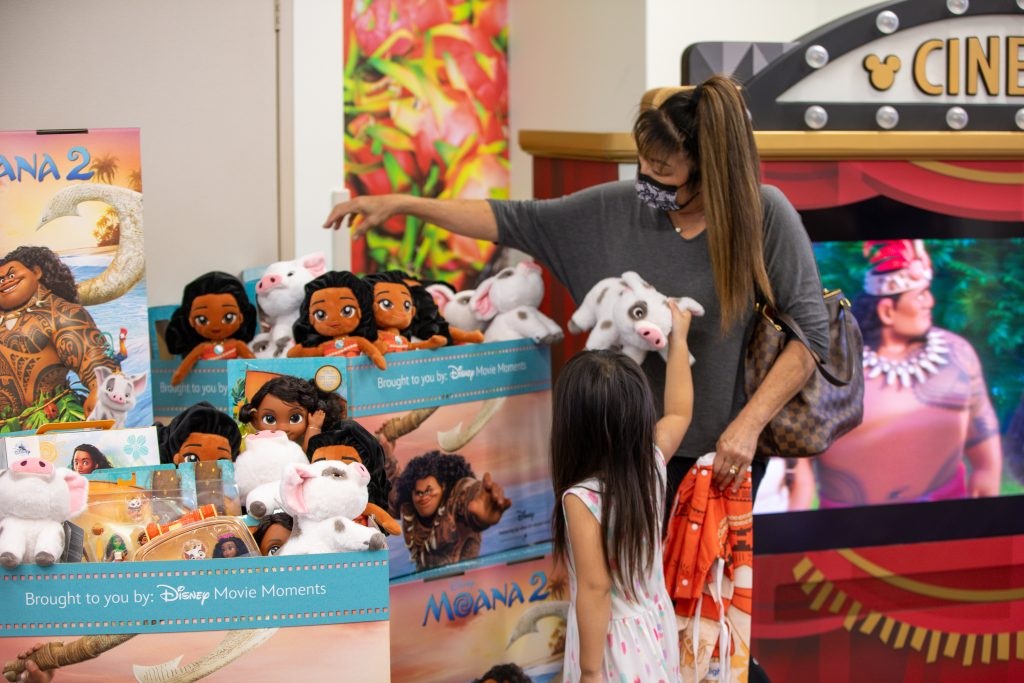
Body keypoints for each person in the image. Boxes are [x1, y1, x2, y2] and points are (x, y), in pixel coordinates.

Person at [324, 74, 828, 681]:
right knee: (627, 614)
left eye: (664, 172)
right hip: (621, 463)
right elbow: (508, 218)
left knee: (706, 634)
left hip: (710, 465)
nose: (647, 181)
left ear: (710, 171)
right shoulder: (615, 209)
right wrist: (404, 205)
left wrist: (747, 428)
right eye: (643, 164)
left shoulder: (763, 216)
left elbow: (810, 335)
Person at [550, 298, 692, 682]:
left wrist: (590, 671)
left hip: (613, 645)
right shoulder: (651, 462)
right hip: (655, 626)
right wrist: (679, 340)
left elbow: (595, 588)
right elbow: (679, 412)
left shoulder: (582, 498)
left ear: (572, 426)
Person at [811, 239, 1002, 507]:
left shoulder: (958, 354)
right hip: (849, 526)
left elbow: (983, 435)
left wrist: (987, 476)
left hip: (948, 520)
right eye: (920, 295)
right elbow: (800, 459)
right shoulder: (832, 366)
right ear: (887, 311)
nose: (930, 302)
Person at [0, 246, 121, 429]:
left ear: (36, 272)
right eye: (0, 279)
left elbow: (91, 355)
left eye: (11, 275)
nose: (5, 282)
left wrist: (101, 389)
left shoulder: (62, 313)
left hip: (52, 423)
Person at [392, 450, 511, 571]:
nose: (423, 497)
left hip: (464, 580)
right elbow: (390, 491)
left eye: (428, 490)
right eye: (418, 493)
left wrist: (481, 503)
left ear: (443, 487)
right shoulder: (408, 509)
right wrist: (386, 456)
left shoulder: (454, 502)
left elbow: (465, 494)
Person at [237, 374, 348, 452]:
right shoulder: (257, 442)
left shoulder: (299, 446)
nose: (282, 428)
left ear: (310, 416)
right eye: (270, 419)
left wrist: (314, 427)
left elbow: (309, 454)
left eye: (295, 418)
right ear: (255, 419)